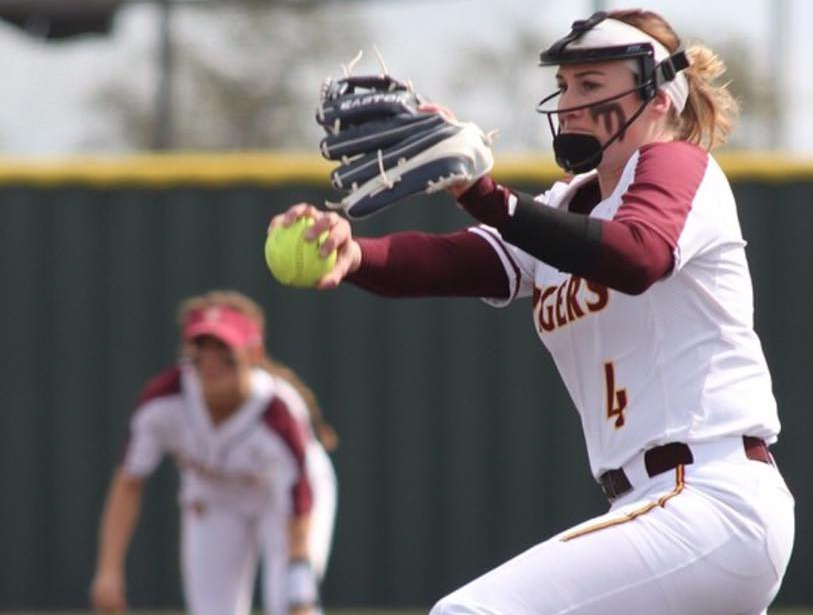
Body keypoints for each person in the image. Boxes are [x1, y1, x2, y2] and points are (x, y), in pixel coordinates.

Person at [269, 9, 794, 615]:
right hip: (653, 505)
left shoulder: (678, 165)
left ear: (658, 96)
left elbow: (639, 256)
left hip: (708, 497)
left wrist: (486, 196)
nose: (568, 102)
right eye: (566, 85)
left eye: (591, 85)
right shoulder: (570, 202)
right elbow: (457, 262)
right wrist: (355, 253)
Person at [90, 290, 337, 615]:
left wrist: (300, 593)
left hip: (284, 505)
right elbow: (129, 482)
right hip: (216, 496)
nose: (210, 362)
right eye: (201, 348)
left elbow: (298, 513)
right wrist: (109, 571)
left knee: (286, 605)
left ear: (253, 353)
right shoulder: (165, 400)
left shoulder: (278, 415)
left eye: (223, 349)